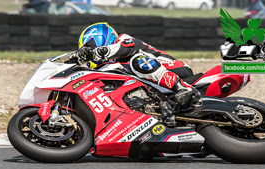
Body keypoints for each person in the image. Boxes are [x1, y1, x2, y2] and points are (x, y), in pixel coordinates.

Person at [73, 22, 201, 122]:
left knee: (137, 61)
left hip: (174, 69)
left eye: (87, 48)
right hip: (155, 86)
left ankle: (183, 88)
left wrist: (99, 52)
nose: (87, 54)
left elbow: (127, 48)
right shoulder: (111, 66)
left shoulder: (123, 40)